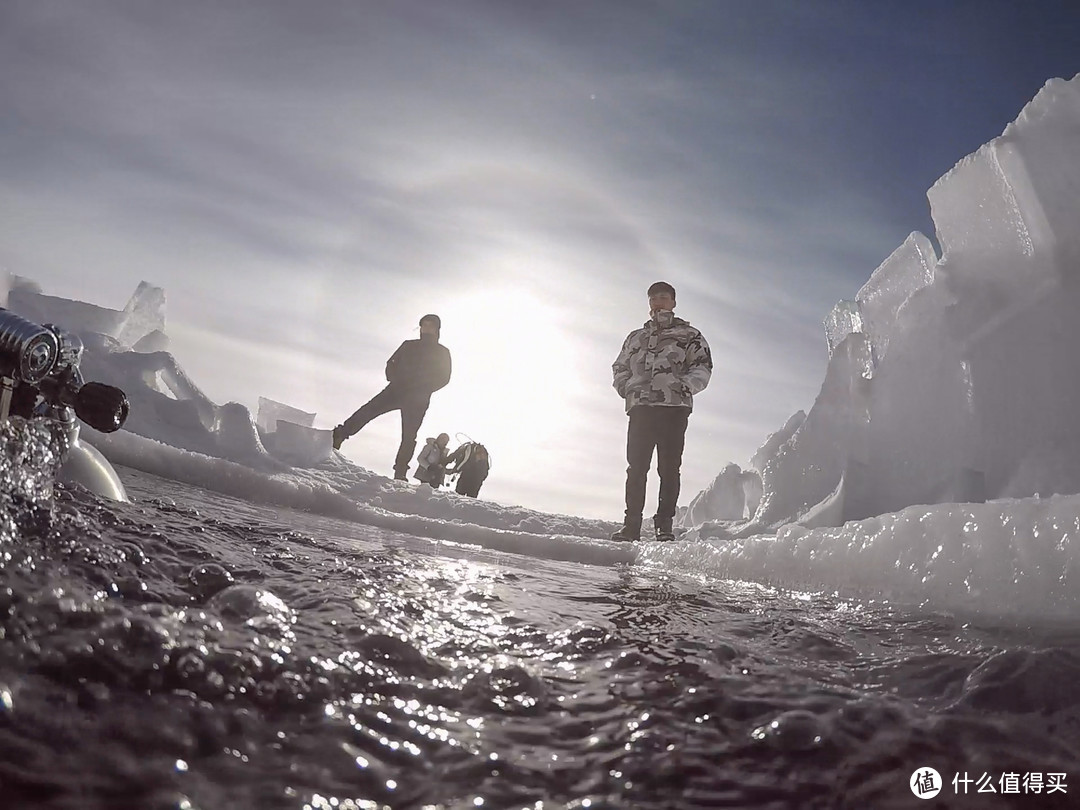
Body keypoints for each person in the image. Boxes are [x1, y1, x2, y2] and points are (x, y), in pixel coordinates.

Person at [610, 281, 712, 542]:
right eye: (654, 298)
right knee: (636, 468)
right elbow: (620, 366)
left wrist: (684, 387)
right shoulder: (636, 337)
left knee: (669, 469)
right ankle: (631, 526)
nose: (658, 302)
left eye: (664, 297)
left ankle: (663, 527)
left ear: (673, 302)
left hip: (673, 409)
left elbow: (702, 366)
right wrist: (626, 387)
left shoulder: (690, 335)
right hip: (641, 408)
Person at [333, 314, 452, 480]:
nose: (426, 328)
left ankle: (400, 471)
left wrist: (424, 389)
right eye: (423, 325)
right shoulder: (408, 345)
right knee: (368, 410)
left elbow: (444, 377)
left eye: (430, 325)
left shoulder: (442, 352)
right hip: (396, 390)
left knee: (409, 436)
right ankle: (340, 434)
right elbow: (391, 363)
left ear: (437, 329)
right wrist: (394, 379)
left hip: (418, 399)